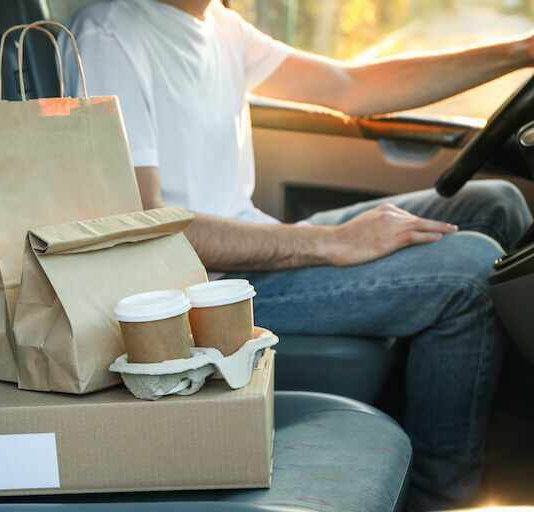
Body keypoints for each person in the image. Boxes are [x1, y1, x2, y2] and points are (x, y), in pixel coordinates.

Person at [59, 1, 534, 509]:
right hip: (199, 297)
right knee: (469, 272)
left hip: (248, 257)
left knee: (496, 204)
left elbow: (348, 88)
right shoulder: (108, 38)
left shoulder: (219, 24)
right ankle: (441, 500)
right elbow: (145, 229)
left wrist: (519, 52)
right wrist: (329, 243)